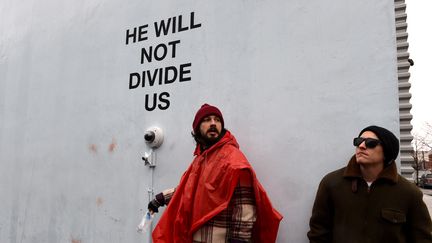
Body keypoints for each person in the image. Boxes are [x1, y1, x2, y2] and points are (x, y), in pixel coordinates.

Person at [148, 103, 282, 243]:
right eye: (207, 120)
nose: (213, 123)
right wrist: (161, 198)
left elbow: (244, 205)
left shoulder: (232, 158)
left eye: (217, 120)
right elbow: (189, 192)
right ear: (197, 128)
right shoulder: (201, 158)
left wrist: (239, 240)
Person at [307, 125, 432, 243]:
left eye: (370, 143)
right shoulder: (332, 183)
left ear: (386, 151)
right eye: (358, 141)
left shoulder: (408, 192)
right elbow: (318, 232)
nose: (361, 146)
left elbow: (422, 238)